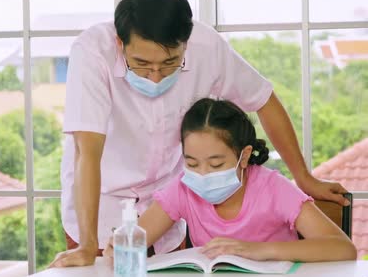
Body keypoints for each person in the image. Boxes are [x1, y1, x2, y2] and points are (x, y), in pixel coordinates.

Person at [49, 0, 349, 268]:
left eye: (169, 64)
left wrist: (304, 177)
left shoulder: (207, 47)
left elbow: (264, 98)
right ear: (120, 43)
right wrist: (88, 244)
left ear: (185, 45)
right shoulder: (91, 53)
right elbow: (86, 153)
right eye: (141, 64)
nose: (155, 76)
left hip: (166, 205)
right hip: (102, 204)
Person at [103, 98, 356, 262]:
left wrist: (258, 251)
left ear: (244, 156)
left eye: (216, 164)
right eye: (191, 163)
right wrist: (120, 248)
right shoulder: (183, 188)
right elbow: (136, 240)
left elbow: (343, 249)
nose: (202, 173)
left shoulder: (274, 188)